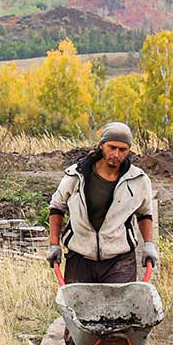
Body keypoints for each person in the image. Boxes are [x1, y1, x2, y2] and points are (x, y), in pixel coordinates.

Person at [45, 121, 159, 284]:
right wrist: (54, 245)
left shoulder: (138, 180)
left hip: (119, 261)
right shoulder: (76, 175)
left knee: (119, 308)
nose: (116, 154)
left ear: (129, 150)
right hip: (80, 258)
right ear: (101, 145)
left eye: (122, 150)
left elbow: (144, 213)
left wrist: (148, 244)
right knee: (78, 308)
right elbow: (57, 207)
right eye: (112, 148)